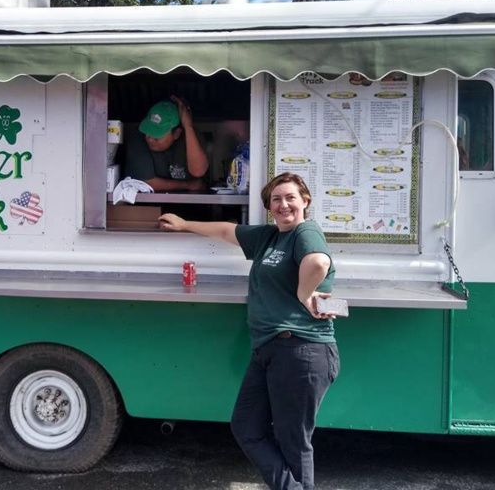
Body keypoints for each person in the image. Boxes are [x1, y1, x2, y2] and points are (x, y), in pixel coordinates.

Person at [159, 172, 339, 490]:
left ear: (305, 201)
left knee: (293, 441)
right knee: (246, 426)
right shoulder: (269, 237)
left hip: (301, 349)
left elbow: (318, 262)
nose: (283, 205)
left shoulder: (305, 231)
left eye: (290, 198)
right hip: (270, 349)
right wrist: (185, 224)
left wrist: (303, 291)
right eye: (275, 200)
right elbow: (229, 230)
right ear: (269, 207)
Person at [124, 96, 209, 191]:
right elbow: (147, 183)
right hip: (151, 203)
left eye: (157, 135)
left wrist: (188, 126)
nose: (150, 139)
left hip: (188, 203)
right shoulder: (138, 137)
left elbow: (198, 171)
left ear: (177, 133)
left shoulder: (190, 136)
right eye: (148, 132)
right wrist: (188, 185)